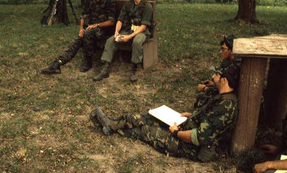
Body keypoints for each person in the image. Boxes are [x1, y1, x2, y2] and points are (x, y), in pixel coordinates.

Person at [90, 65, 239, 162]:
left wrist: (176, 134)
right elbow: (206, 117)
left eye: (217, 75)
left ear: (224, 80)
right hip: (187, 126)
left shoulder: (225, 106)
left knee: (147, 131)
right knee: (150, 117)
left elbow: (200, 137)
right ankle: (112, 123)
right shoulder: (220, 94)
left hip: (192, 147)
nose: (213, 76)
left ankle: (112, 128)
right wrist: (191, 115)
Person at [40, 0, 116, 74]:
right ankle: (57, 63)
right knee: (77, 41)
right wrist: (81, 29)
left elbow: (111, 21)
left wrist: (96, 25)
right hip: (89, 29)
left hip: (102, 30)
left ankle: (88, 61)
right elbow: (83, 15)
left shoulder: (109, 1)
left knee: (87, 33)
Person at [93, 0, 153, 83]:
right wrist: (116, 32)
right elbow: (120, 19)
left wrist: (129, 37)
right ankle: (105, 68)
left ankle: (134, 68)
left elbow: (143, 26)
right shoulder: (128, 4)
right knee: (111, 40)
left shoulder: (147, 6)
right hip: (128, 30)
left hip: (142, 32)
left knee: (137, 41)